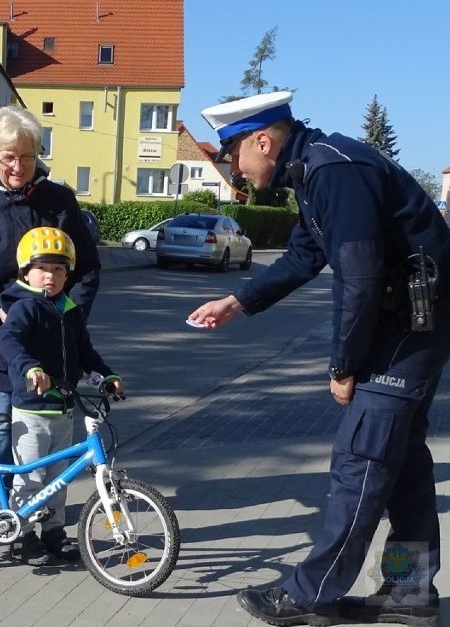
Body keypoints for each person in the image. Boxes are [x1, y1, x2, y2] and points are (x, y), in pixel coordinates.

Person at [189, 91, 449, 627]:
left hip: (405, 332)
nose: (232, 168)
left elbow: (359, 277)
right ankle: (411, 594)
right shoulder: (315, 169)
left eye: (232, 154)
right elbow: (306, 254)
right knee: (402, 472)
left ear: (263, 140)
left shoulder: (333, 172)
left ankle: (311, 596)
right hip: (409, 327)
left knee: (361, 464)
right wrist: (238, 301)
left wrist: (344, 366)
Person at [0, 105, 101, 511]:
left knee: (51, 442)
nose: (18, 166)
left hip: (56, 347)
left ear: (38, 154)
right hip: (1, 344)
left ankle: (44, 524)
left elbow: (87, 269)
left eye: (27, 156)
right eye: (8, 157)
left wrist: (71, 318)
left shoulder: (60, 201)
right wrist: (2, 313)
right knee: (4, 437)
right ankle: (2, 517)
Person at [0, 227, 123, 565]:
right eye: (42, 268)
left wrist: (105, 375)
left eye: (58, 269)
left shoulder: (70, 311)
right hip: (32, 410)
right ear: (26, 271)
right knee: (31, 478)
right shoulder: (24, 307)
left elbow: (85, 353)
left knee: (58, 480)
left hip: (64, 409)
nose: (50, 276)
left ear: (67, 274)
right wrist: (30, 369)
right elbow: (9, 342)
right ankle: (22, 537)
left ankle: (53, 533)